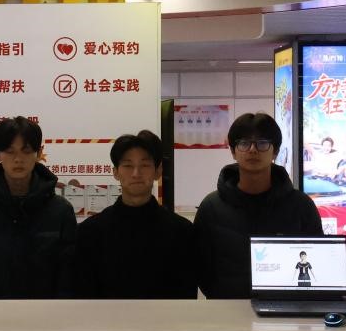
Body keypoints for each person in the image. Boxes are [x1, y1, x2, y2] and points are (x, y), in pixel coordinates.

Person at [194, 112, 324, 299]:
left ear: (275, 151)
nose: (253, 150)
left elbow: (316, 259)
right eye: (244, 143)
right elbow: (201, 268)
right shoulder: (211, 207)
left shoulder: (301, 206)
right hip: (227, 309)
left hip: (287, 309)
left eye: (262, 143)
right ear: (233, 151)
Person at [0, 116, 77, 298]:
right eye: (10, 151)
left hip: (48, 314)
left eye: (26, 151)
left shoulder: (61, 211)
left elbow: (68, 276)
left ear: (38, 153)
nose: (18, 159)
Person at [72, 130, 197, 299]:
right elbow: (83, 296)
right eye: (128, 165)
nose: (136, 173)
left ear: (158, 170)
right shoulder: (91, 232)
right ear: (115, 172)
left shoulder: (181, 232)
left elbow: (186, 298)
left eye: (144, 165)